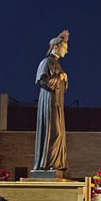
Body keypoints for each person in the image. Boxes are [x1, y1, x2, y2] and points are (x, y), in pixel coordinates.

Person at [33, 30, 69, 172]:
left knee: (59, 132)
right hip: (49, 104)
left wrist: (64, 78)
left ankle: (57, 163)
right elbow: (42, 81)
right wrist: (59, 77)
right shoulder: (46, 62)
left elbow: (60, 84)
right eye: (65, 48)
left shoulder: (56, 64)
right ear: (56, 47)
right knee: (54, 132)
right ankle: (48, 163)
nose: (67, 51)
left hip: (57, 104)